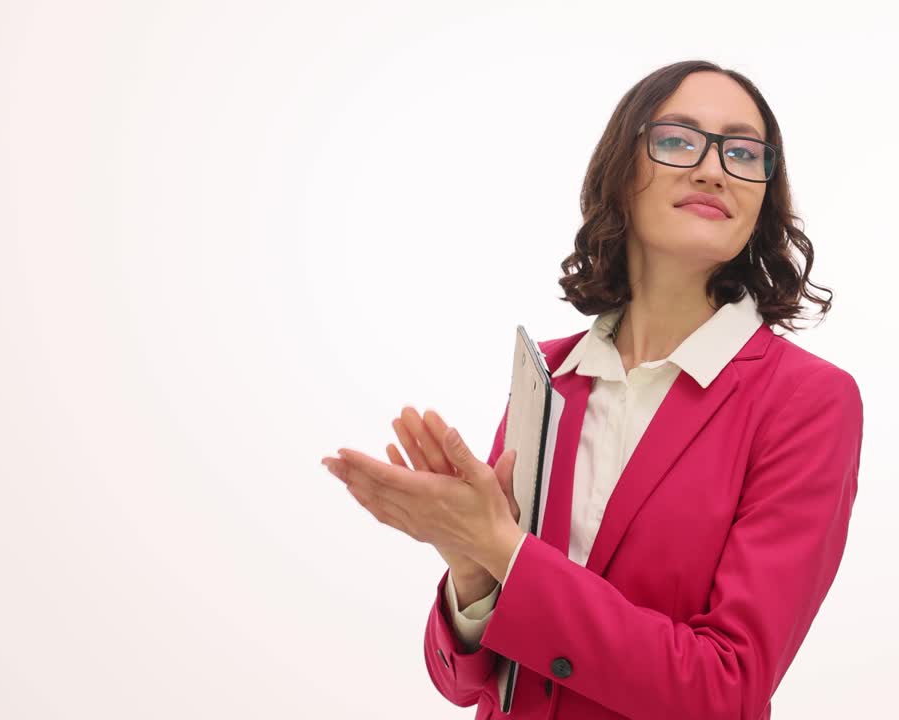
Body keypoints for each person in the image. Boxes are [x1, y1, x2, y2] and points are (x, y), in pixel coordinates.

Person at [323, 59, 864, 720]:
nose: (714, 168)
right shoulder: (549, 376)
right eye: (677, 140)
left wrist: (502, 550)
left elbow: (725, 689)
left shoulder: (805, 402)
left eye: (744, 152)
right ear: (621, 172)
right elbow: (469, 684)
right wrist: (470, 570)